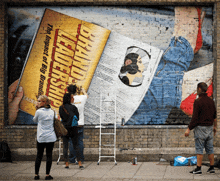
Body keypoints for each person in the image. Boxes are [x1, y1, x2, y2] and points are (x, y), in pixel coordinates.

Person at [185, 82, 217, 174]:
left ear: (199, 89)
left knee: (199, 149)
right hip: (210, 128)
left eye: (197, 89)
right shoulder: (211, 101)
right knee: (210, 149)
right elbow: (214, 116)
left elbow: (195, 118)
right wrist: (215, 127)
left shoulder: (198, 101)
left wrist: (188, 129)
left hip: (200, 129)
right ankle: (212, 168)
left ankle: (198, 169)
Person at [33, 95, 56, 180]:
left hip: (41, 137)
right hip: (51, 137)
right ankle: (47, 175)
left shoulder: (39, 112)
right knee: (49, 156)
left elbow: (34, 120)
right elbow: (55, 121)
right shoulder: (53, 112)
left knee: (39, 155)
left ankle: (36, 175)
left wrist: (36, 109)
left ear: (44, 102)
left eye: (39, 101)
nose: (37, 102)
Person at [59, 92, 84, 169]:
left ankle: (67, 164)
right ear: (69, 99)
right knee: (76, 146)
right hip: (73, 128)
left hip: (65, 129)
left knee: (65, 146)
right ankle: (80, 163)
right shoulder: (73, 107)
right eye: (72, 98)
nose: (73, 99)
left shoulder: (61, 107)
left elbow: (62, 117)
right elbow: (78, 118)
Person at [67, 85, 88, 163]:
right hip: (80, 123)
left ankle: (72, 159)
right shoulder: (81, 98)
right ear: (76, 90)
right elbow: (86, 96)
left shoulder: (68, 99)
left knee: (72, 141)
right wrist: (83, 90)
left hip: (72, 123)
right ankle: (81, 158)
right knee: (80, 141)